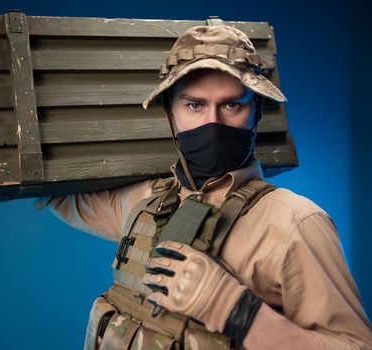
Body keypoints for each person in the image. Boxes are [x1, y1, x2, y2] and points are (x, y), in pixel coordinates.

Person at [35, 25, 372, 349]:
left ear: (256, 112)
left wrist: (232, 308)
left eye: (231, 105)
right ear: (170, 113)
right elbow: (54, 190)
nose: (213, 123)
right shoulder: (144, 201)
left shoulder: (294, 223)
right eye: (194, 105)